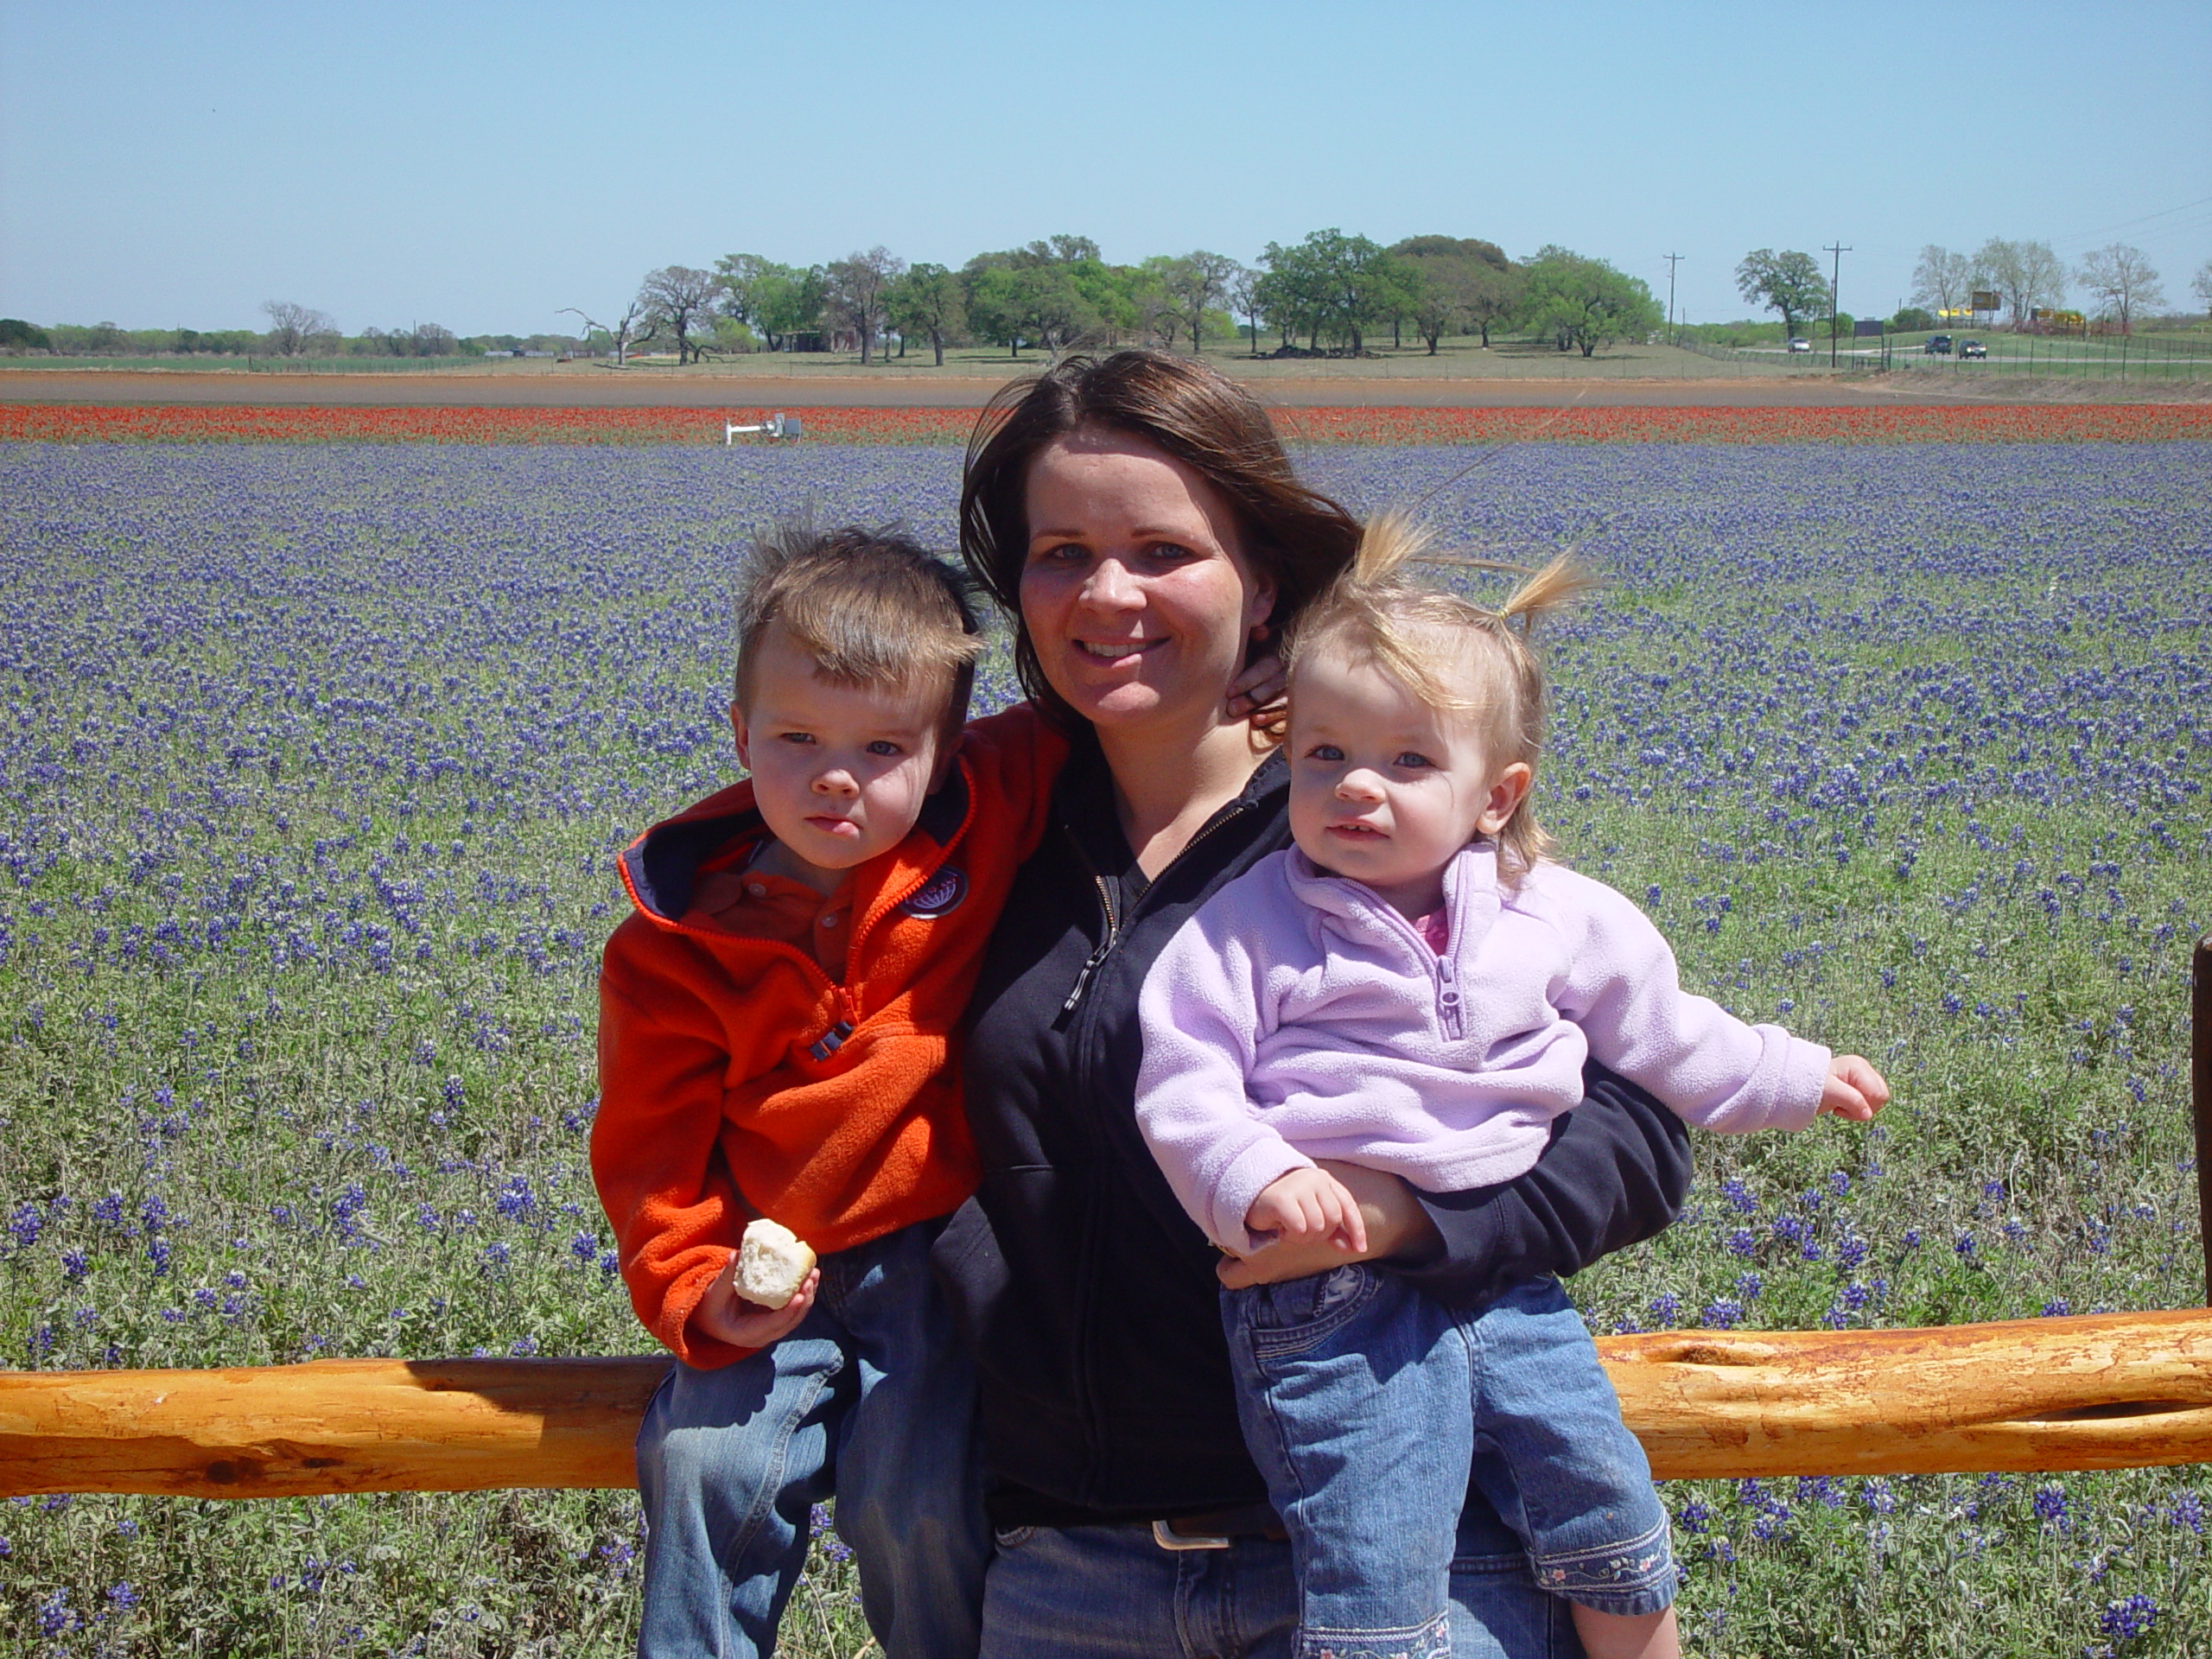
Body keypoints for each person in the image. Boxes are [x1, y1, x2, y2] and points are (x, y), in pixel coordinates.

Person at [932, 348, 1700, 1659]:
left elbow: (1636, 1134)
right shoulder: (975, 827)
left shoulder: (1376, 825)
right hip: (1071, 1571)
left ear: (1264, 580)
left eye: (1163, 550)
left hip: (1400, 1557)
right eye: (1061, 552)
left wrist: (1403, 1218)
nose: (1108, 594)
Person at [1132, 520, 1891, 1659]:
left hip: (1507, 1279)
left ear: (1498, 795)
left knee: (1610, 1513)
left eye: (1408, 763)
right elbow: (1184, 1074)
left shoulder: (1557, 913)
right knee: (1373, 1561)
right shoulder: (1251, 926)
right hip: (1330, 1307)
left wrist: (1791, 1072)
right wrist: (1258, 1176)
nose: (1357, 790)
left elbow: (1663, 1032)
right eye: (1326, 756)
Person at [591, 524, 1064, 1658]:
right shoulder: (672, 947)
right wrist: (696, 1286)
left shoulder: (982, 814)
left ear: (947, 756)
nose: (836, 777)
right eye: (796, 738)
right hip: (768, 1257)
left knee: (924, 1502)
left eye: (882, 749)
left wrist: (1265, 684)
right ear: (740, 732)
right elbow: (651, 1151)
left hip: (936, 1260)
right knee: (705, 1464)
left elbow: (1095, 718)